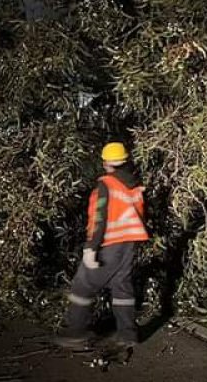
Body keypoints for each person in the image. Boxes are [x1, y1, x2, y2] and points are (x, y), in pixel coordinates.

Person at [56, 142, 149, 348]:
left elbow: (99, 217)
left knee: (83, 284)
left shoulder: (107, 184)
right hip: (129, 243)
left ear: (106, 163)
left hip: (110, 243)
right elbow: (140, 214)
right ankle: (128, 334)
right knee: (121, 287)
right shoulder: (133, 184)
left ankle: (75, 333)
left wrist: (91, 248)